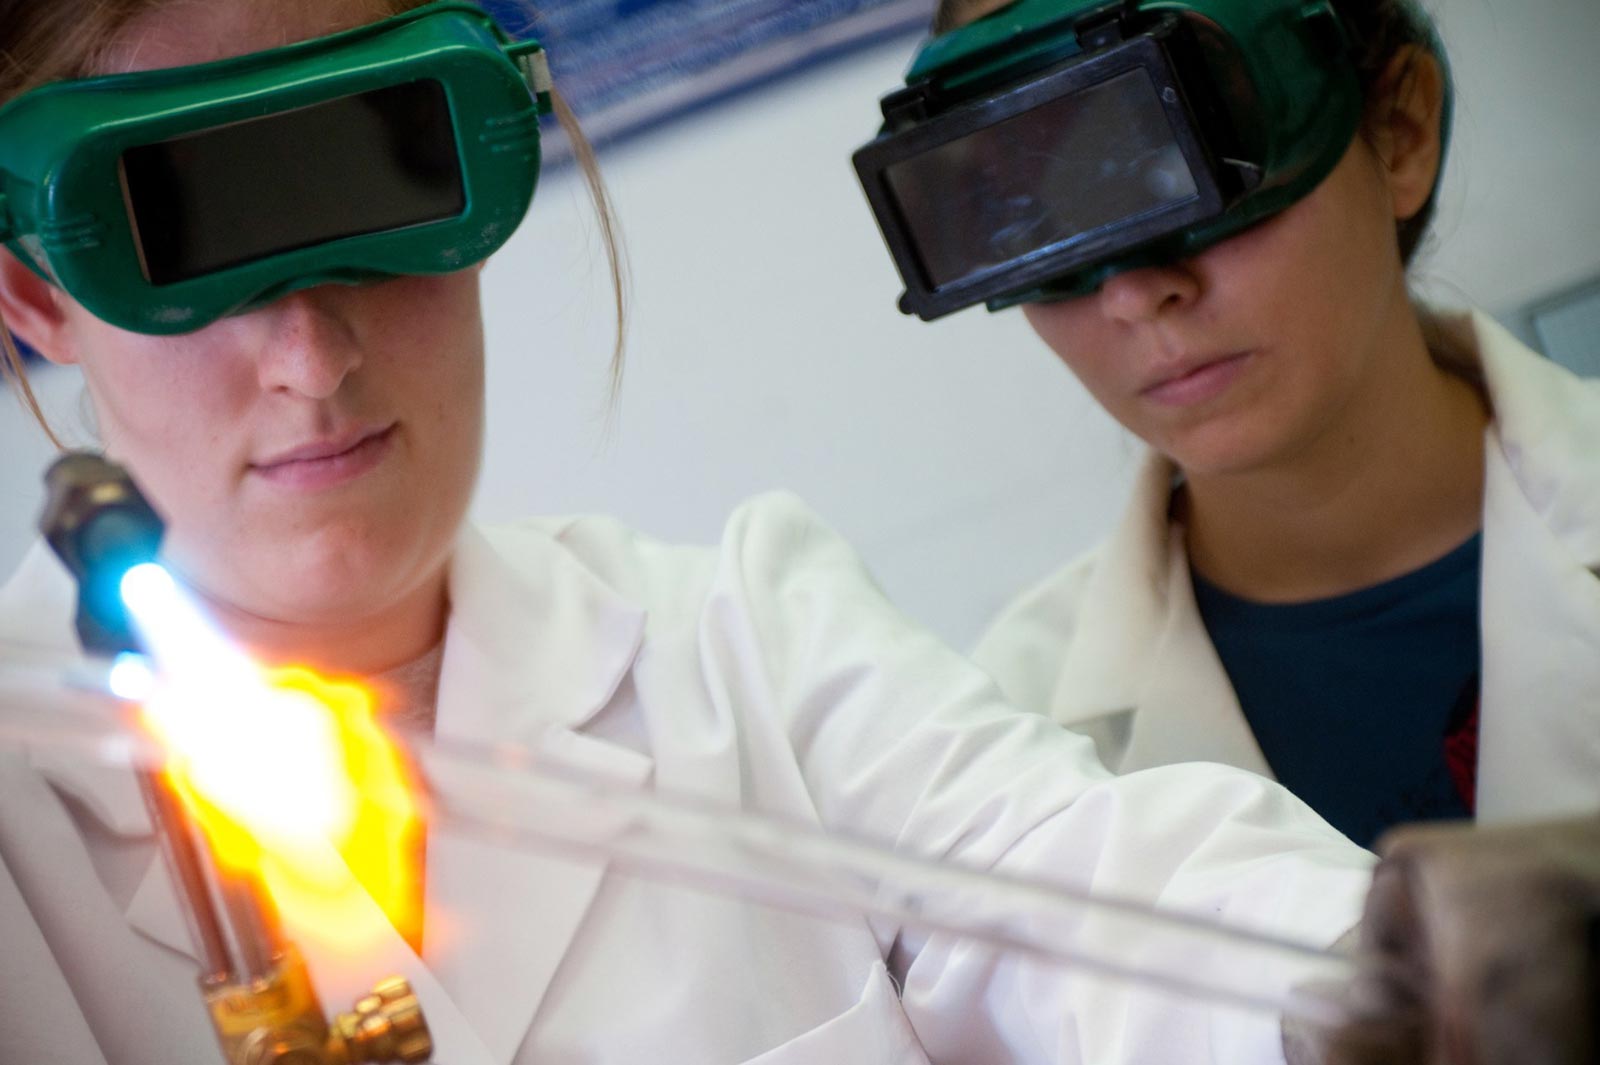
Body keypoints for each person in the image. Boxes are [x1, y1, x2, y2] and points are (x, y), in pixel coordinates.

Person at [0, 3, 1591, 1065]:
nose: (312, 356)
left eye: (362, 187)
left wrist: (1397, 977)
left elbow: (1101, 895)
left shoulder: (748, 641)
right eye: (182, 237)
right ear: (34, 289)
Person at [854, 0, 1600, 849]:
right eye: (1041, 223)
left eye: (1187, 163)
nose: (1134, 294)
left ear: (1398, 130)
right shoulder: (1004, 740)